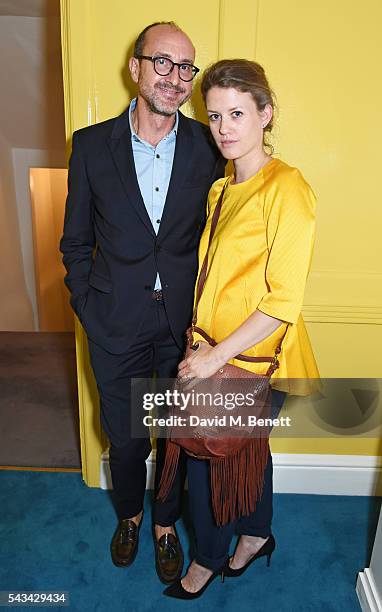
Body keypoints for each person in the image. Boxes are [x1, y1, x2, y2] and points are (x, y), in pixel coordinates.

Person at [60, 21, 225, 583]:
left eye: (185, 67)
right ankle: (130, 516)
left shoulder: (209, 145)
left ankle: (163, 525)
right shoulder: (89, 145)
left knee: (175, 440)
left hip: (185, 331)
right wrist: (88, 305)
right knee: (128, 441)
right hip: (116, 326)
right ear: (135, 68)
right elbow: (76, 241)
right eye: (162, 62)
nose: (174, 78)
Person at [163, 59, 319, 599]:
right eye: (213, 115)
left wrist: (211, 358)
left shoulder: (289, 189)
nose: (224, 127)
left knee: (209, 464)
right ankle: (255, 535)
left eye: (237, 113)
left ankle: (207, 560)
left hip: (254, 359)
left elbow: (283, 301)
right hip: (215, 350)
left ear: (265, 114)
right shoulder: (222, 189)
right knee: (249, 453)